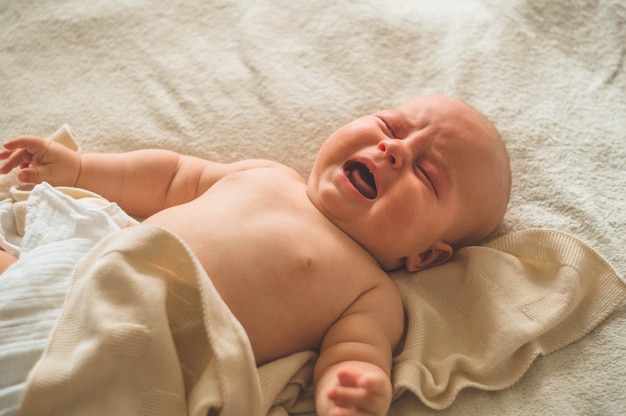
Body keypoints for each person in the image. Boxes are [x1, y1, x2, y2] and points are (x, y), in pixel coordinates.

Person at [0, 94, 511, 416]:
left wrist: (356, 389)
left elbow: (354, 353)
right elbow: (168, 178)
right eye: (390, 126)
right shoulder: (267, 174)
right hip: (86, 264)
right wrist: (78, 168)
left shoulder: (370, 293)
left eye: (426, 174)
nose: (394, 149)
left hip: (155, 337)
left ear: (425, 257)